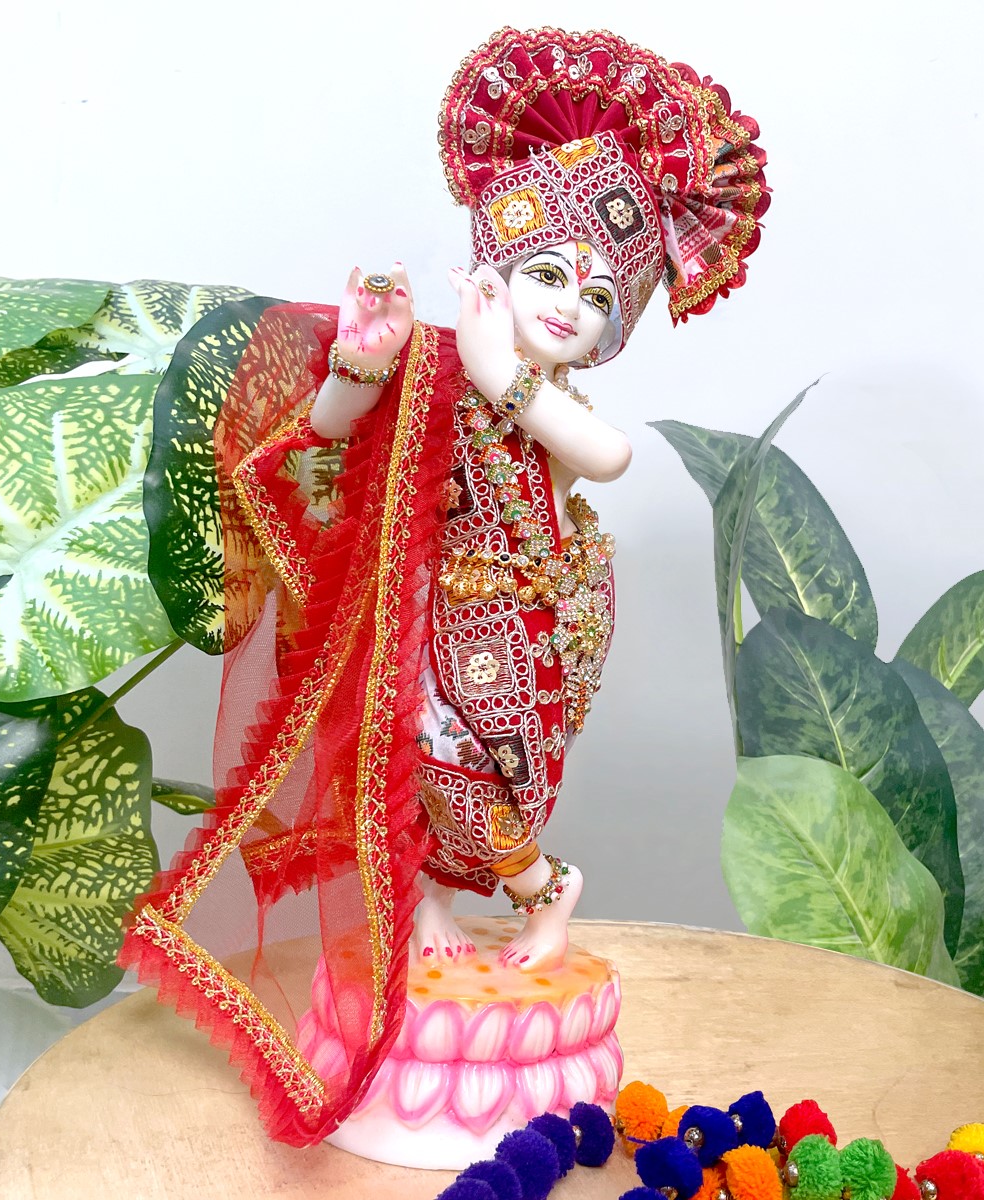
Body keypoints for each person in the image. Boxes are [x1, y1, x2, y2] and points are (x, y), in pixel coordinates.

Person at [122, 26, 767, 1148]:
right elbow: (326, 433)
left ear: (612, 330)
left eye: (596, 297)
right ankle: (421, 910)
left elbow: (608, 457)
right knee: (394, 769)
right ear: (495, 269)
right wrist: (361, 361)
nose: (566, 306)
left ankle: (542, 891)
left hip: (523, 626)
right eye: (546, 274)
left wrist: (498, 370)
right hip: (417, 615)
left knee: (480, 780)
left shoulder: (535, 395)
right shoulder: (431, 362)